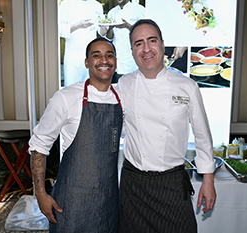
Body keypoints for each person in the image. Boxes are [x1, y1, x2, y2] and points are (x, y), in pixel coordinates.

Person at [116, 19, 216, 233]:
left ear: (162, 44)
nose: (146, 49)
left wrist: (208, 179)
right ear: (133, 51)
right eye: (138, 43)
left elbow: (202, 135)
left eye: (151, 41)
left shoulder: (187, 86)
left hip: (171, 182)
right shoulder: (124, 84)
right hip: (134, 184)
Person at [29, 37, 123, 233]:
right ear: (87, 63)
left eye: (109, 55)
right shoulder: (66, 97)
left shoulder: (121, 98)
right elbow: (39, 145)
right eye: (96, 56)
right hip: (71, 203)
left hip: (108, 201)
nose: (104, 60)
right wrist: (40, 194)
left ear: (115, 61)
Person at [59, 0, 105, 86]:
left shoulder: (97, 5)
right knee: (71, 89)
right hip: (73, 55)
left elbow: (101, 32)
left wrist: (104, 27)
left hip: (92, 55)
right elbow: (60, 29)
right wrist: (78, 25)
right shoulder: (66, 3)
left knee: (91, 88)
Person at [102, 0, 145, 82]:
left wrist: (127, 25)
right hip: (117, 60)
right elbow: (109, 37)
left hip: (131, 60)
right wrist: (110, 28)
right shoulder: (112, 12)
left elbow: (143, 32)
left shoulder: (140, 10)